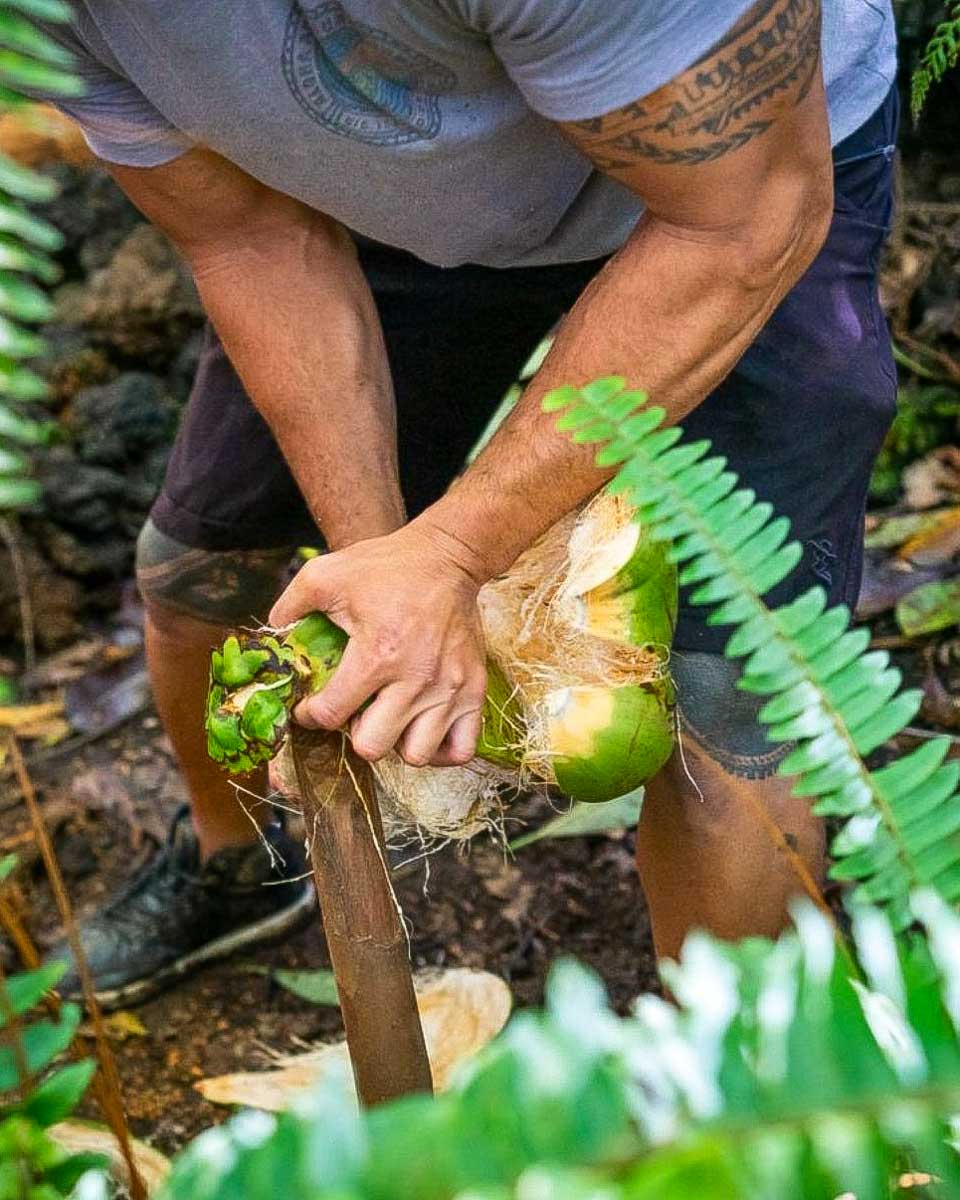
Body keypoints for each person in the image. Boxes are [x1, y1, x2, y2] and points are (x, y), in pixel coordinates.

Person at [39, 0, 899, 1007]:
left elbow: (744, 220)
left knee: (727, 698)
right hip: (387, 208)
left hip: (732, 189)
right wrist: (385, 578)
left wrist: (451, 552)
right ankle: (239, 864)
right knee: (196, 573)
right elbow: (252, 238)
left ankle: (739, 1099)